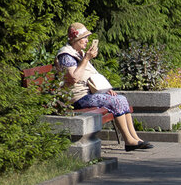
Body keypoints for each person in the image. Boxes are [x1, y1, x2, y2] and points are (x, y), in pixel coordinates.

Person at [56, 22, 154, 152]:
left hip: (87, 94)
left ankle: (135, 138)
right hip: (77, 98)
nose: (87, 41)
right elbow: (74, 78)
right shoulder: (65, 55)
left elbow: (90, 75)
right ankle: (128, 141)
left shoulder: (79, 53)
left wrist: (105, 89)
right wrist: (86, 59)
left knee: (122, 99)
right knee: (115, 101)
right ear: (76, 39)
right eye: (84, 38)